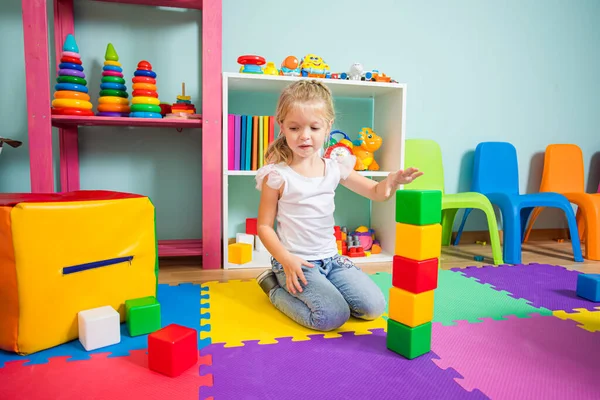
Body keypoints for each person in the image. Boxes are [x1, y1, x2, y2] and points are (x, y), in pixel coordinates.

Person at [255, 79, 423, 332]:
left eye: (314, 127)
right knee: (332, 317)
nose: (304, 136)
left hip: (332, 260)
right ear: (282, 127)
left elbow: (376, 193)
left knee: (373, 308)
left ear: (328, 126)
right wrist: (286, 259)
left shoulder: (335, 168)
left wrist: (392, 181)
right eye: (294, 128)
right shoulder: (277, 175)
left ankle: (325, 290)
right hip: (295, 261)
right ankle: (274, 289)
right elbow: (264, 226)